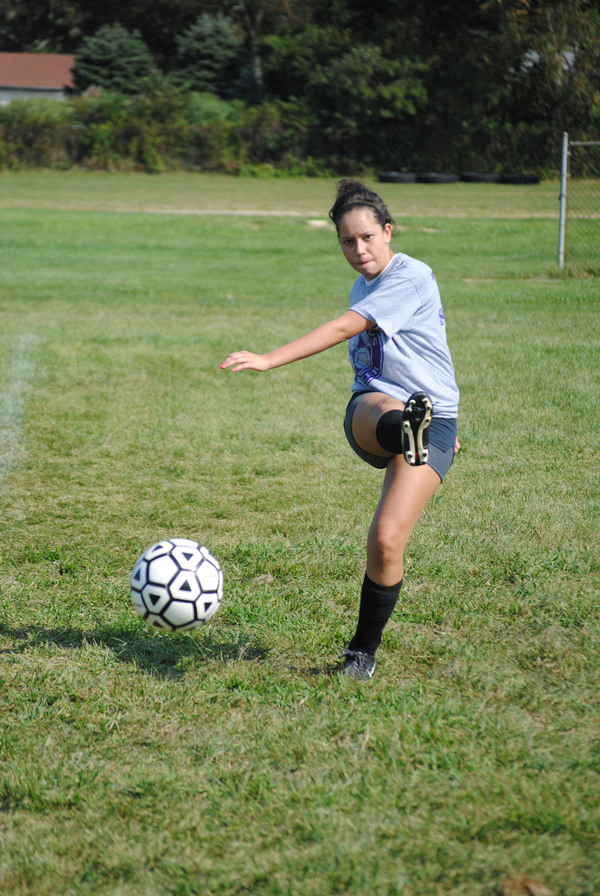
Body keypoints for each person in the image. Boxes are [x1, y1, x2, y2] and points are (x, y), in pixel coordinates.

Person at [220, 178, 459, 680]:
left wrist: (268, 359)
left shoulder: (409, 277)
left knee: (386, 541)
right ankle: (406, 430)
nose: (358, 249)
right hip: (375, 412)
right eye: (347, 242)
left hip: (437, 418)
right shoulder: (365, 283)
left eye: (367, 237)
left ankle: (361, 653)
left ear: (388, 231)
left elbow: (343, 329)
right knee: (379, 404)